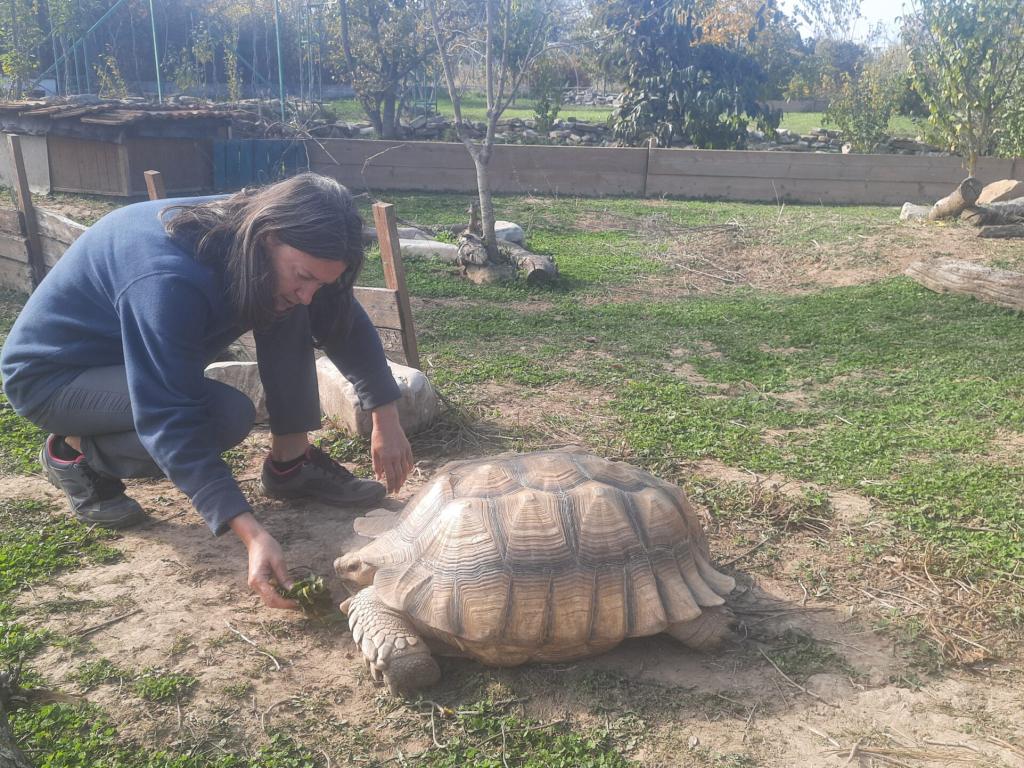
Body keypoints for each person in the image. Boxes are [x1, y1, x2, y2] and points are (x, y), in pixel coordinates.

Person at [0, 172, 413, 610]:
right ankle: (74, 451)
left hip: (131, 361)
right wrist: (250, 533)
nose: (311, 294)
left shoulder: (268, 234)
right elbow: (167, 412)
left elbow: (336, 312)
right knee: (221, 417)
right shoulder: (167, 276)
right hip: (55, 378)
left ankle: (291, 464)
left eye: (321, 282)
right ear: (269, 238)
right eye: (305, 275)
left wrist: (385, 417)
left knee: (289, 304)